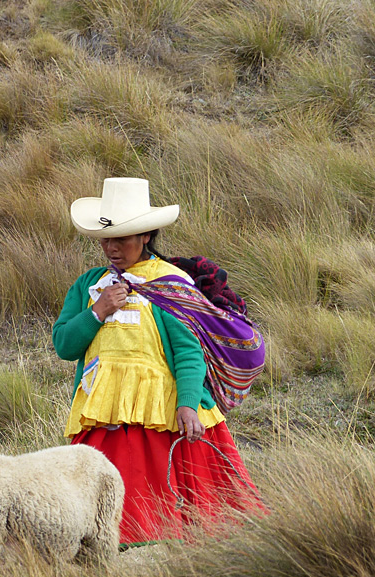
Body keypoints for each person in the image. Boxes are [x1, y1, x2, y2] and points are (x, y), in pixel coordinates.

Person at [52, 177, 266, 547]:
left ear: (147, 235)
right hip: (102, 411)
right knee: (95, 518)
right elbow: (64, 345)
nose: (112, 248)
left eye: (123, 238)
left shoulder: (170, 284)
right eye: (106, 239)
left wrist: (187, 404)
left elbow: (188, 351)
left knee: (186, 516)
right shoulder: (88, 285)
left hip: (164, 413)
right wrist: (98, 311)